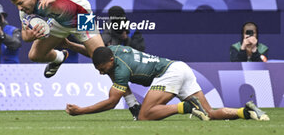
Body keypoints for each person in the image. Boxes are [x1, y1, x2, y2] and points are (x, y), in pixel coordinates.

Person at [8, 0, 141, 119]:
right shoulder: (24, 11)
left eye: (20, 3)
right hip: (59, 22)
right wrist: (31, 36)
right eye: (16, 5)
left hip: (82, 16)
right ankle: (59, 57)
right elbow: (25, 36)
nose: (19, 8)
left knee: (104, 60)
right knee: (35, 55)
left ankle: (133, 104)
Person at [66, 45, 270, 121]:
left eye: (102, 69)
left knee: (146, 116)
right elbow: (93, 51)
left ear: (110, 61)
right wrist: (67, 44)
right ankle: (247, 111)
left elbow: (111, 103)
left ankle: (186, 107)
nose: (101, 73)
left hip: (169, 73)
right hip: (180, 67)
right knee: (210, 113)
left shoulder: (120, 71)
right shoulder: (114, 51)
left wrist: (80, 111)